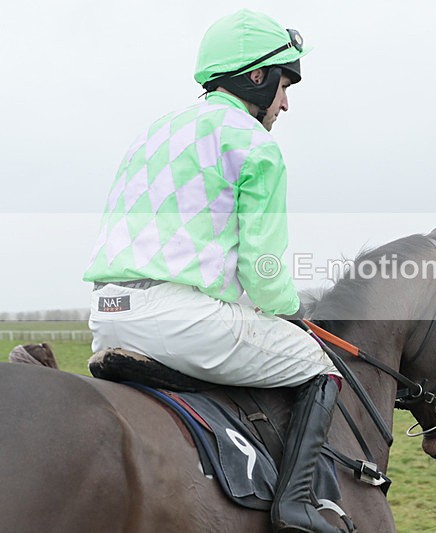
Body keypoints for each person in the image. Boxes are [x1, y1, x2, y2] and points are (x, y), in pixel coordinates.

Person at [83, 10, 343, 533]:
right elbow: (265, 273)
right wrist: (292, 313)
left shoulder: (155, 132)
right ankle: (296, 506)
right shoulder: (254, 144)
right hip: (179, 319)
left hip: (106, 315)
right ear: (258, 77)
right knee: (318, 363)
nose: (286, 102)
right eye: (285, 84)